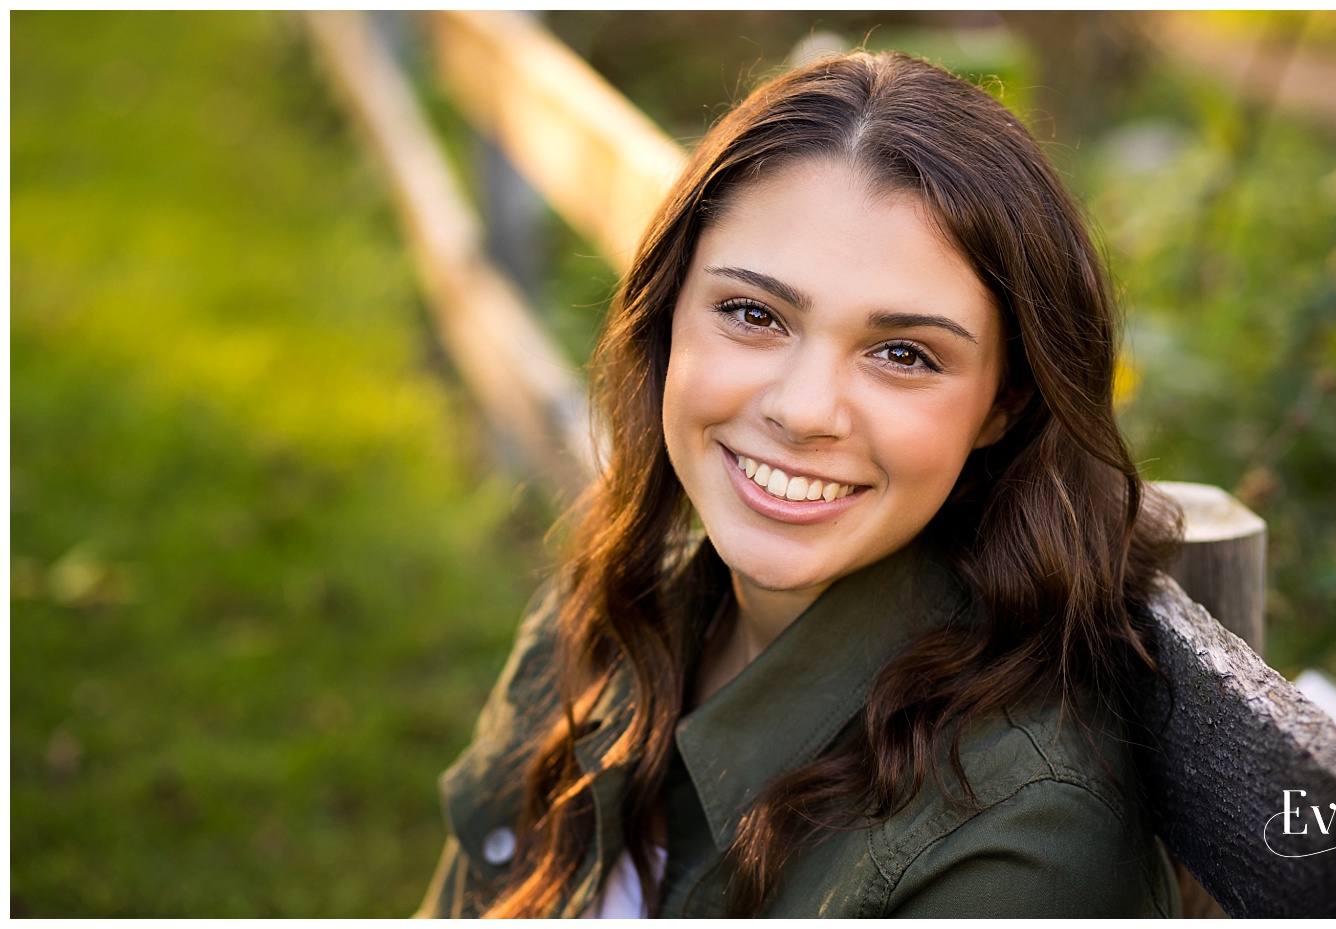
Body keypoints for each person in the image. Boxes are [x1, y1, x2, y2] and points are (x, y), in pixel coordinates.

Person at [414, 51, 1184, 918]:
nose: (805, 410)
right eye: (754, 313)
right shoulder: (602, 616)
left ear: (1004, 405)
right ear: (669, 310)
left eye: (904, 354)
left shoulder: (1017, 842)